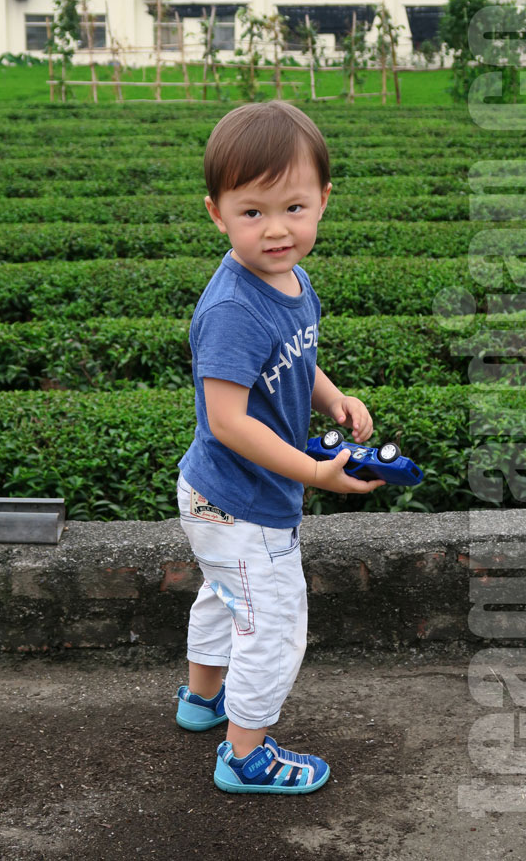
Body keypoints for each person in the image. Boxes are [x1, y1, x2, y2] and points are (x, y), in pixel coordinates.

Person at [174, 100, 385, 794]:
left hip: (217, 495)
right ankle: (246, 755)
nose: (276, 231)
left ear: (323, 200)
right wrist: (313, 474)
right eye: (252, 213)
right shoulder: (235, 307)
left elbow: (296, 359)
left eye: (293, 208)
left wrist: (333, 399)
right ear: (217, 213)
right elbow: (229, 419)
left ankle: (203, 700)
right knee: (272, 622)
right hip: (242, 502)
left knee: (224, 596)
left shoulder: (289, 279)